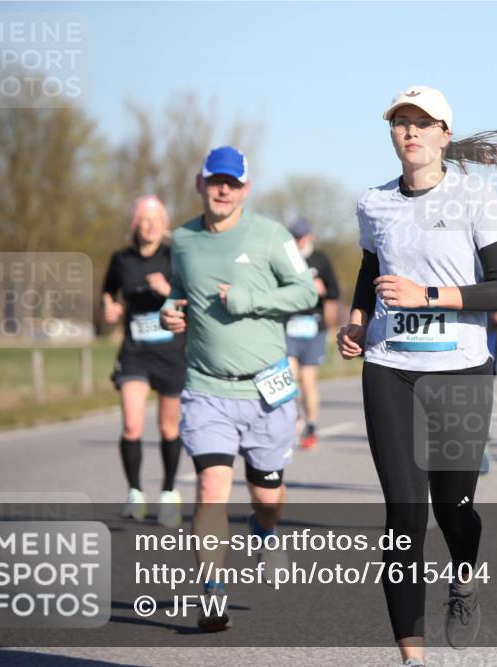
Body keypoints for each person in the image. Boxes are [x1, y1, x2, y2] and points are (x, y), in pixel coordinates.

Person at [336, 86, 497, 665]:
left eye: (421, 123)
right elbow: (371, 266)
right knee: (404, 514)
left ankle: (462, 578)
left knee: (454, 509)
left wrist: (429, 294)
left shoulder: (476, 197)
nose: (409, 132)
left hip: (460, 370)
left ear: (444, 133)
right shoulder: (373, 203)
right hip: (390, 368)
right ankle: (413, 657)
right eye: (399, 123)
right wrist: (360, 318)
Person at [160, 146, 318, 631]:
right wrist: (169, 313)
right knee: (210, 488)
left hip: (265, 389)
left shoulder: (270, 236)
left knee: (267, 496)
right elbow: (176, 290)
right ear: (200, 184)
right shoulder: (182, 240)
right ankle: (212, 591)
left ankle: (264, 531)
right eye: (214, 181)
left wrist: (249, 298)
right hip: (207, 389)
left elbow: (307, 292)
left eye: (232, 182)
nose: (223, 189)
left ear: (245, 189)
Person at [102, 195, 186, 528]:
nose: (149, 226)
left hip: (170, 352)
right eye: (143, 219)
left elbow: (190, 297)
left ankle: (168, 491)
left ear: (164, 226)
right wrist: (111, 308)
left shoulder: (175, 257)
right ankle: (135, 491)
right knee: (132, 425)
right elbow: (109, 292)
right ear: (135, 224)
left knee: (168, 427)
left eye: (156, 220)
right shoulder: (121, 259)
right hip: (135, 351)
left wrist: (165, 288)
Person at [285, 218, 340, 450]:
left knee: (308, 382)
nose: (299, 241)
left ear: (310, 236)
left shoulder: (320, 259)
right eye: (295, 237)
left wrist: (323, 290)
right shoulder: (285, 258)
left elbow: (334, 292)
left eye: (302, 236)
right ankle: (294, 418)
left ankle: (312, 425)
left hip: (313, 327)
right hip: (288, 325)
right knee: (289, 379)